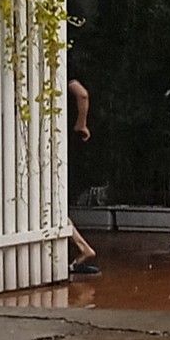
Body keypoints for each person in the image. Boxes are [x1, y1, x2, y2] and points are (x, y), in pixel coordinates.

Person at [67, 78, 98, 275]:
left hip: (63, 139)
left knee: (55, 207)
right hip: (70, 143)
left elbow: (82, 93)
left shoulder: (65, 75)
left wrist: (80, 124)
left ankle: (83, 248)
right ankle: (82, 248)